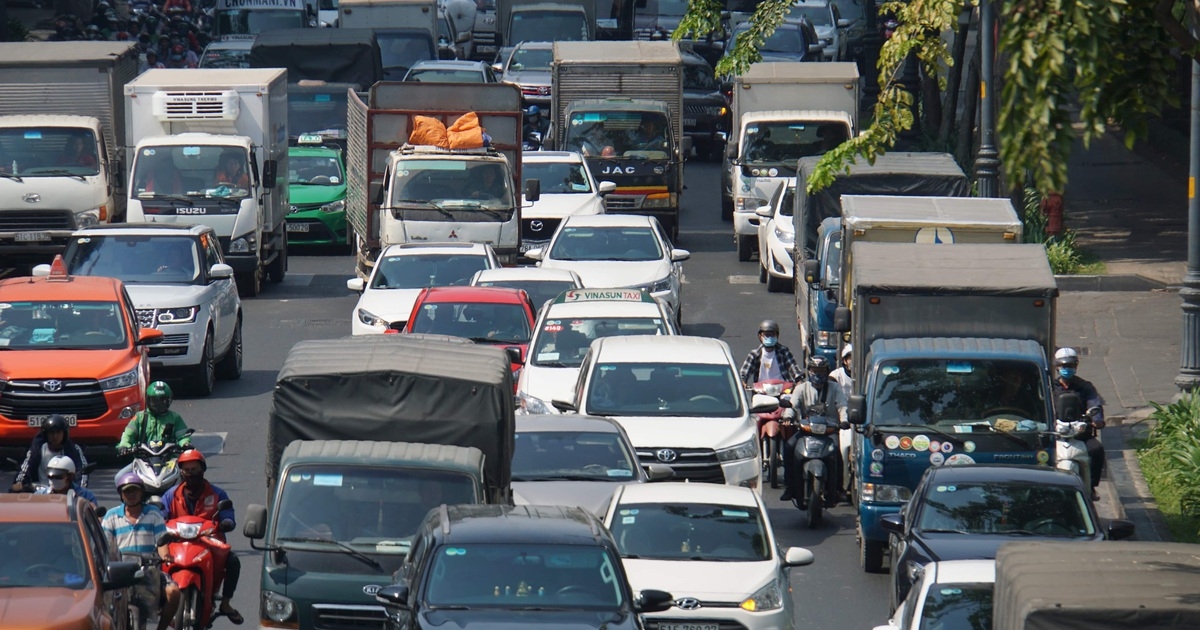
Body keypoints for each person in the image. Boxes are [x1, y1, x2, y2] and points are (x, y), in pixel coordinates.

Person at [162, 450, 243, 624]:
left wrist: (226, 522)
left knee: (233, 561)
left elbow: (228, 515)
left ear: (203, 470)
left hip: (209, 542)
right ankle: (160, 598)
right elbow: (159, 513)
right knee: (153, 561)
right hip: (178, 542)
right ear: (181, 472)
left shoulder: (218, 494)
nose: (191, 474)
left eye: (195, 470)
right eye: (187, 470)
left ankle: (225, 604)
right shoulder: (171, 495)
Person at [102, 474, 181, 630]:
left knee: (174, 592)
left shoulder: (154, 513)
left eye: (134, 490)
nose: (131, 495)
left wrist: (165, 556)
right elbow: (105, 546)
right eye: (127, 491)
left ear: (141, 493)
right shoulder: (111, 516)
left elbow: (161, 541)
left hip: (149, 570)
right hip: (119, 574)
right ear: (121, 495)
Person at [780, 355, 848, 502]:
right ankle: (790, 486)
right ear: (809, 371)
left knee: (836, 451)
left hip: (829, 430)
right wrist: (788, 417)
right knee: (789, 447)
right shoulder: (801, 388)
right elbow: (792, 405)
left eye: (821, 370)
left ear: (827, 371)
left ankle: (838, 489)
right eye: (815, 370)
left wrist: (844, 421)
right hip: (806, 430)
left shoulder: (835, 388)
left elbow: (843, 406)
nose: (818, 374)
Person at [1052, 347, 1106, 501]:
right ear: (1057, 367)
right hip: (1056, 434)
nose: (1067, 369)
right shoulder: (1050, 387)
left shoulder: (1085, 387)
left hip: (1080, 433)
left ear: (1076, 366)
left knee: (1096, 449)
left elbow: (1094, 404)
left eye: (1070, 366)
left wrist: (1097, 420)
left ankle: (1092, 486)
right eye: (1064, 366)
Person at [11, 414, 89, 492]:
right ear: (46, 434)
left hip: (66, 492)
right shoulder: (37, 449)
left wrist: (80, 489)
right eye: (52, 433)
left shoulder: (74, 450)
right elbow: (26, 467)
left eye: (58, 432)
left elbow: (81, 470)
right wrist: (19, 482)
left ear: (64, 433)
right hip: (40, 492)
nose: (55, 436)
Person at [116, 382, 193, 456]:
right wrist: (124, 446)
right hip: (143, 458)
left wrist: (185, 444)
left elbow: (183, 436)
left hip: (169, 459)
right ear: (147, 400)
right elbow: (128, 435)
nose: (158, 404)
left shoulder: (175, 417)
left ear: (169, 400)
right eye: (154, 400)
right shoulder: (139, 417)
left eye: (162, 400)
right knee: (127, 466)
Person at [739, 319, 803, 388]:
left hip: (783, 390)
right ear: (760, 336)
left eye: (772, 335)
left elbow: (793, 367)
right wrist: (743, 381)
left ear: (777, 336)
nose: (770, 337)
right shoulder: (754, 354)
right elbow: (744, 372)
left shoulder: (784, 352)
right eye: (766, 335)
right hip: (761, 391)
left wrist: (799, 380)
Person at [828, 344, 854, 496]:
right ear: (844, 360)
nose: (852, 361)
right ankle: (842, 486)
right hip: (842, 422)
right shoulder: (835, 376)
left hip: (861, 419)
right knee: (842, 449)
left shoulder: (867, 373)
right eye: (850, 358)